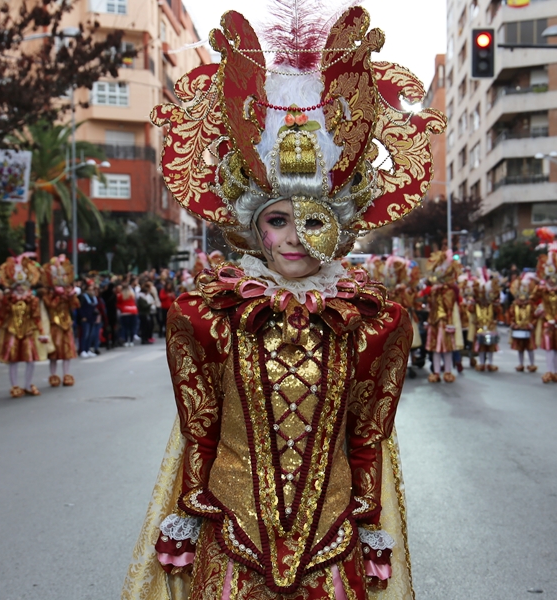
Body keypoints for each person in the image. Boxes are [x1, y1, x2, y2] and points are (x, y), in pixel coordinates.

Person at [123, 6, 442, 597]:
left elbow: (366, 439)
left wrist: (369, 519)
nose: (295, 236)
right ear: (252, 228)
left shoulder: (375, 325)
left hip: (332, 544)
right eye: (277, 219)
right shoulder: (205, 319)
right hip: (231, 541)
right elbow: (202, 432)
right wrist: (189, 516)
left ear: (342, 226)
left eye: (313, 218)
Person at [0, 256, 48, 397]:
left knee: (30, 359)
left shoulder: (33, 300)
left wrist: (42, 333)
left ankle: (27, 384)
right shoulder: (8, 299)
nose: (19, 288)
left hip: (28, 331)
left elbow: (36, 318)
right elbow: (2, 316)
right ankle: (14, 385)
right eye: (17, 285)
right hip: (12, 331)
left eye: (22, 285)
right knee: (13, 359)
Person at [532, 231, 557, 384]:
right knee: (548, 348)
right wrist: (540, 310)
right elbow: (532, 300)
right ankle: (549, 369)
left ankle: (555, 371)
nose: (552, 281)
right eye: (549, 278)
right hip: (547, 321)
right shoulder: (542, 289)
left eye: (555, 278)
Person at [424, 251, 462, 383]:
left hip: (445, 322)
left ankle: (447, 372)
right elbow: (431, 305)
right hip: (434, 321)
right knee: (435, 349)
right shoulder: (434, 291)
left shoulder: (450, 291)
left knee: (447, 349)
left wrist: (442, 290)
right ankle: (436, 372)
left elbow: (450, 306)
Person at [41, 255, 80, 386]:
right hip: (54, 324)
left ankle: (66, 373)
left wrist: (70, 295)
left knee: (67, 351)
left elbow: (76, 305)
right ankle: (53, 374)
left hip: (66, 323)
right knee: (54, 352)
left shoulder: (67, 291)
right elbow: (50, 306)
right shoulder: (48, 294)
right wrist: (57, 296)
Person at [507, 272, 537, 373]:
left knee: (530, 348)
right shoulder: (514, 305)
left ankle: (532, 364)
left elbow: (535, 316)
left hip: (528, 329)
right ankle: (521, 363)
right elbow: (510, 316)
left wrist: (532, 324)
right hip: (518, 329)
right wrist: (512, 324)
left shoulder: (531, 305)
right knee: (520, 348)